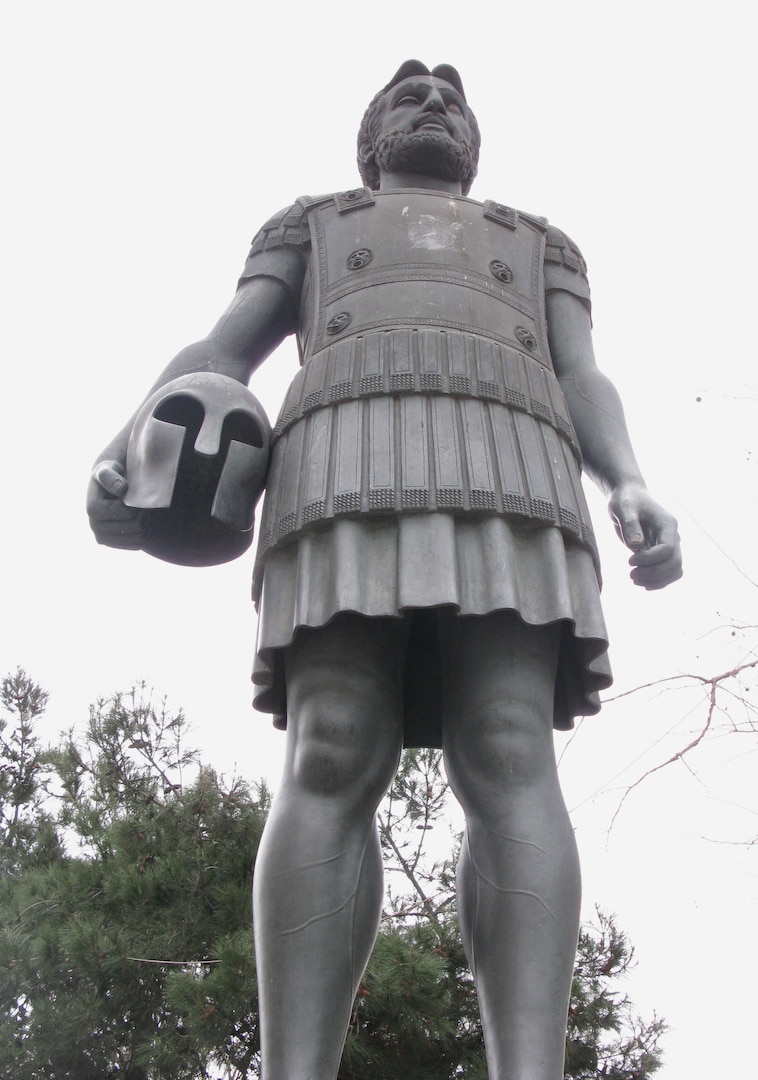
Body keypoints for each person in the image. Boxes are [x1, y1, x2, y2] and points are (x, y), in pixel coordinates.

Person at [88, 60, 682, 1080]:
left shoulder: (540, 245)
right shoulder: (309, 225)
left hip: (515, 465)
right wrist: (127, 438)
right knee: (329, 746)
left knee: (507, 743)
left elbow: (582, 372)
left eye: (451, 94)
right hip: (338, 460)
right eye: (408, 93)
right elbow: (223, 347)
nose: (433, 99)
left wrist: (628, 480)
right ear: (368, 138)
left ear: (474, 140)